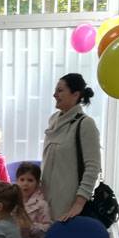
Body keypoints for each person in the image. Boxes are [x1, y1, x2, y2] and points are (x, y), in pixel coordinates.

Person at [41, 73, 101, 221]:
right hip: (45, 201)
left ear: (75, 94)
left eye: (60, 90)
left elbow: (93, 167)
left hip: (68, 206)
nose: (55, 95)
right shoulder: (53, 120)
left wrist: (79, 203)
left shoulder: (85, 124)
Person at [14, 162, 52, 238]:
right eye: (22, 180)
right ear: (17, 181)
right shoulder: (11, 200)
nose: (25, 184)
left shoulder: (42, 204)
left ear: (37, 183)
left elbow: (47, 227)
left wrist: (30, 227)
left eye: (30, 180)